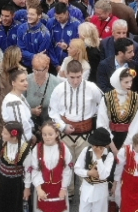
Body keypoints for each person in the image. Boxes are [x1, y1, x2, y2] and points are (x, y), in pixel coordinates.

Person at [49, 59, 103, 192]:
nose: (75, 81)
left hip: (86, 134)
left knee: (85, 165)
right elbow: (52, 112)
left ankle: (85, 197)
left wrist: (96, 121)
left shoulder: (92, 88)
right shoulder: (59, 89)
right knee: (65, 165)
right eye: (72, 77)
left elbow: (102, 106)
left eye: (78, 77)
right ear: (66, 74)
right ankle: (68, 195)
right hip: (65, 133)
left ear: (82, 73)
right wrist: (62, 126)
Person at [0, 121, 33, 210]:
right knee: (2, 205)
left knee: (16, 206)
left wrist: (27, 188)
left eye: (5, 133)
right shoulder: (1, 144)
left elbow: (28, 170)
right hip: (2, 182)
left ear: (14, 136)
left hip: (17, 185)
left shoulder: (25, 149)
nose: (2, 134)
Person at [31, 120, 73, 212]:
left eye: (50, 134)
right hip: (43, 189)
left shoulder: (63, 148)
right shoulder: (37, 149)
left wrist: (64, 188)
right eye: (44, 134)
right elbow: (35, 170)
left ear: (57, 133)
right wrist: (39, 189)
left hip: (59, 189)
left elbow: (67, 170)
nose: (47, 137)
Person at [97, 67, 138, 152]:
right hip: (110, 140)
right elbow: (102, 123)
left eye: (131, 81)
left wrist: (126, 145)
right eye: (126, 82)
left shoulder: (136, 98)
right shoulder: (107, 98)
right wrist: (113, 148)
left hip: (129, 139)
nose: (129, 85)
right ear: (118, 82)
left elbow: (136, 123)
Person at [73, 128, 115, 212]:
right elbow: (77, 169)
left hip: (100, 192)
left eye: (100, 146)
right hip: (86, 189)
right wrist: (89, 173)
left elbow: (104, 175)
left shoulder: (109, 156)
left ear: (105, 145)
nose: (97, 148)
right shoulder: (86, 151)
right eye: (95, 145)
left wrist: (99, 158)